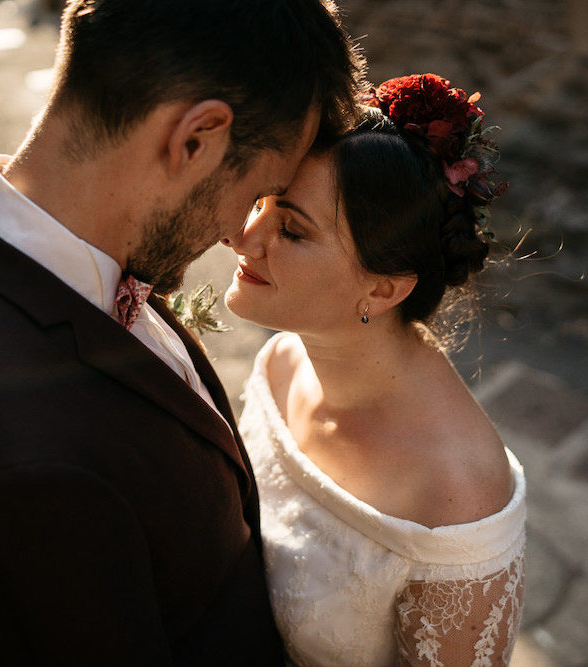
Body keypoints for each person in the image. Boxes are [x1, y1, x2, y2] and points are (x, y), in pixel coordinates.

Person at [0, 0, 361, 663]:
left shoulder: (35, 241)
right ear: (195, 139)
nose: (237, 235)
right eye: (255, 195)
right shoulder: (20, 464)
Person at [222, 74, 525, 666]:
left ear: (382, 288)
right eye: (260, 202)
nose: (242, 235)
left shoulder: (456, 499)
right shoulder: (284, 362)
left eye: (290, 228)